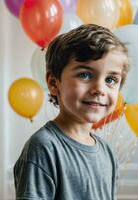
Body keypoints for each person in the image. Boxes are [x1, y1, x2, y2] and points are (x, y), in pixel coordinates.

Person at [13, 24, 130, 200]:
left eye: (111, 79)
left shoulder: (107, 153)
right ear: (54, 83)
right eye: (85, 75)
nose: (100, 89)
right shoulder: (43, 147)